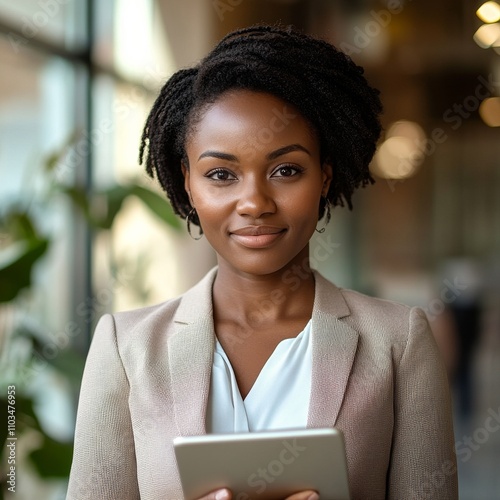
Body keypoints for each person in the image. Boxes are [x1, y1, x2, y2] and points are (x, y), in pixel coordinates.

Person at [66, 25, 458, 500]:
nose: (254, 202)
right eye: (221, 174)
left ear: (323, 177)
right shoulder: (125, 350)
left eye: (286, 170)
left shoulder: (398, 342)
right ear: (188, 183)